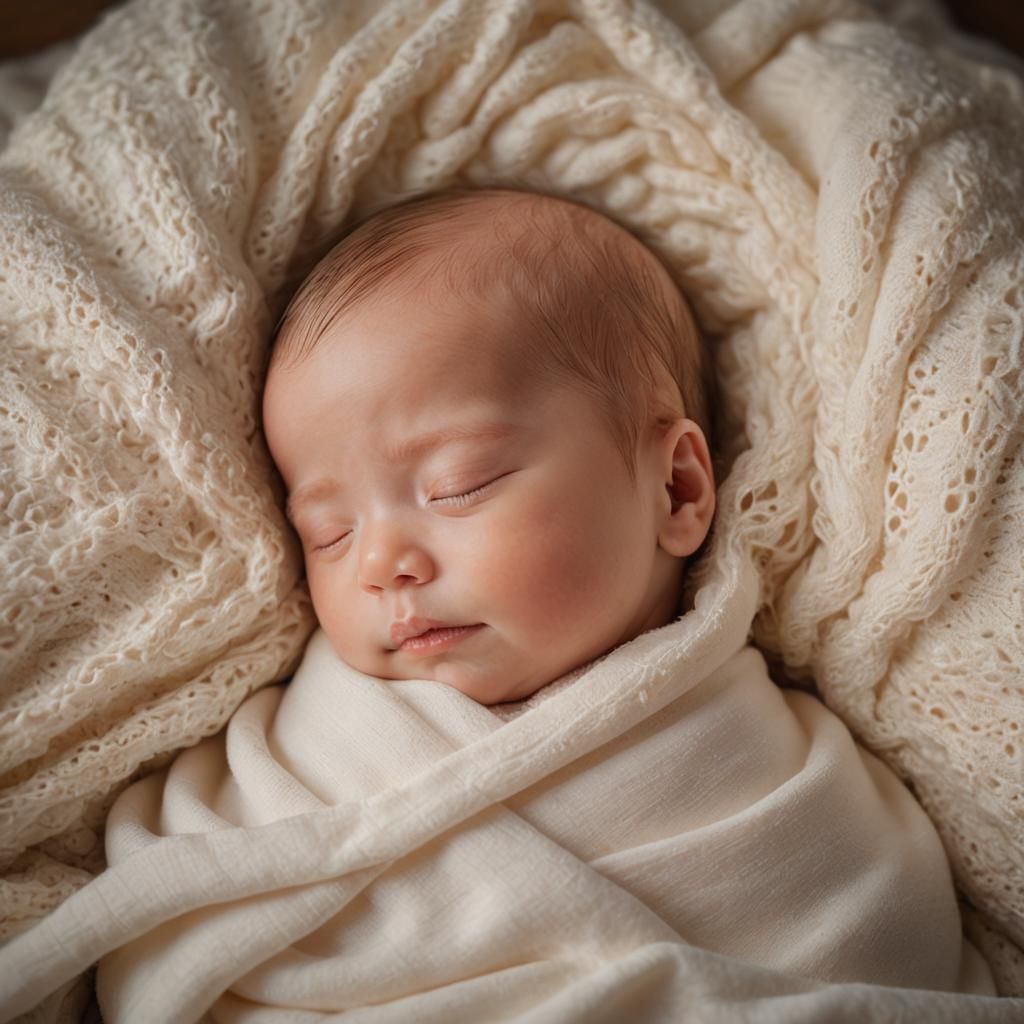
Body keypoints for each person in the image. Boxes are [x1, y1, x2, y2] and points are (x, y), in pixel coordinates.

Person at [262, 184, 717, 708]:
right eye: (330, 535)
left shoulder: (747, 734)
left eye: (457, 487)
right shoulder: (320, 720)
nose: (379, 564)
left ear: (675, 488)